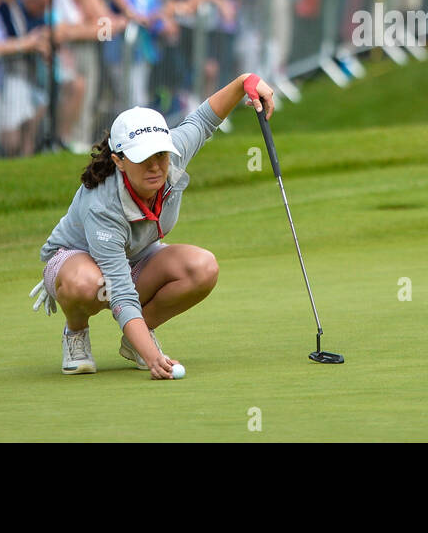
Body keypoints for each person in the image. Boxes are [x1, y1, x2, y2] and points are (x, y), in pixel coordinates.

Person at [29, 73, 276, 378]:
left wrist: (244, 82)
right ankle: (75, 333)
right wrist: (154, 358)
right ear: (119, 160)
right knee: (88, 284)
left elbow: (204, 120)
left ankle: (137, 340)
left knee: (203, 267)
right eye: (143, 157)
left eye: (160, 153)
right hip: (75, 262)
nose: (156, 165)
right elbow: (119, 291)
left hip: (137, 257)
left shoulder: (173, 156)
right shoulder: (103, 204)